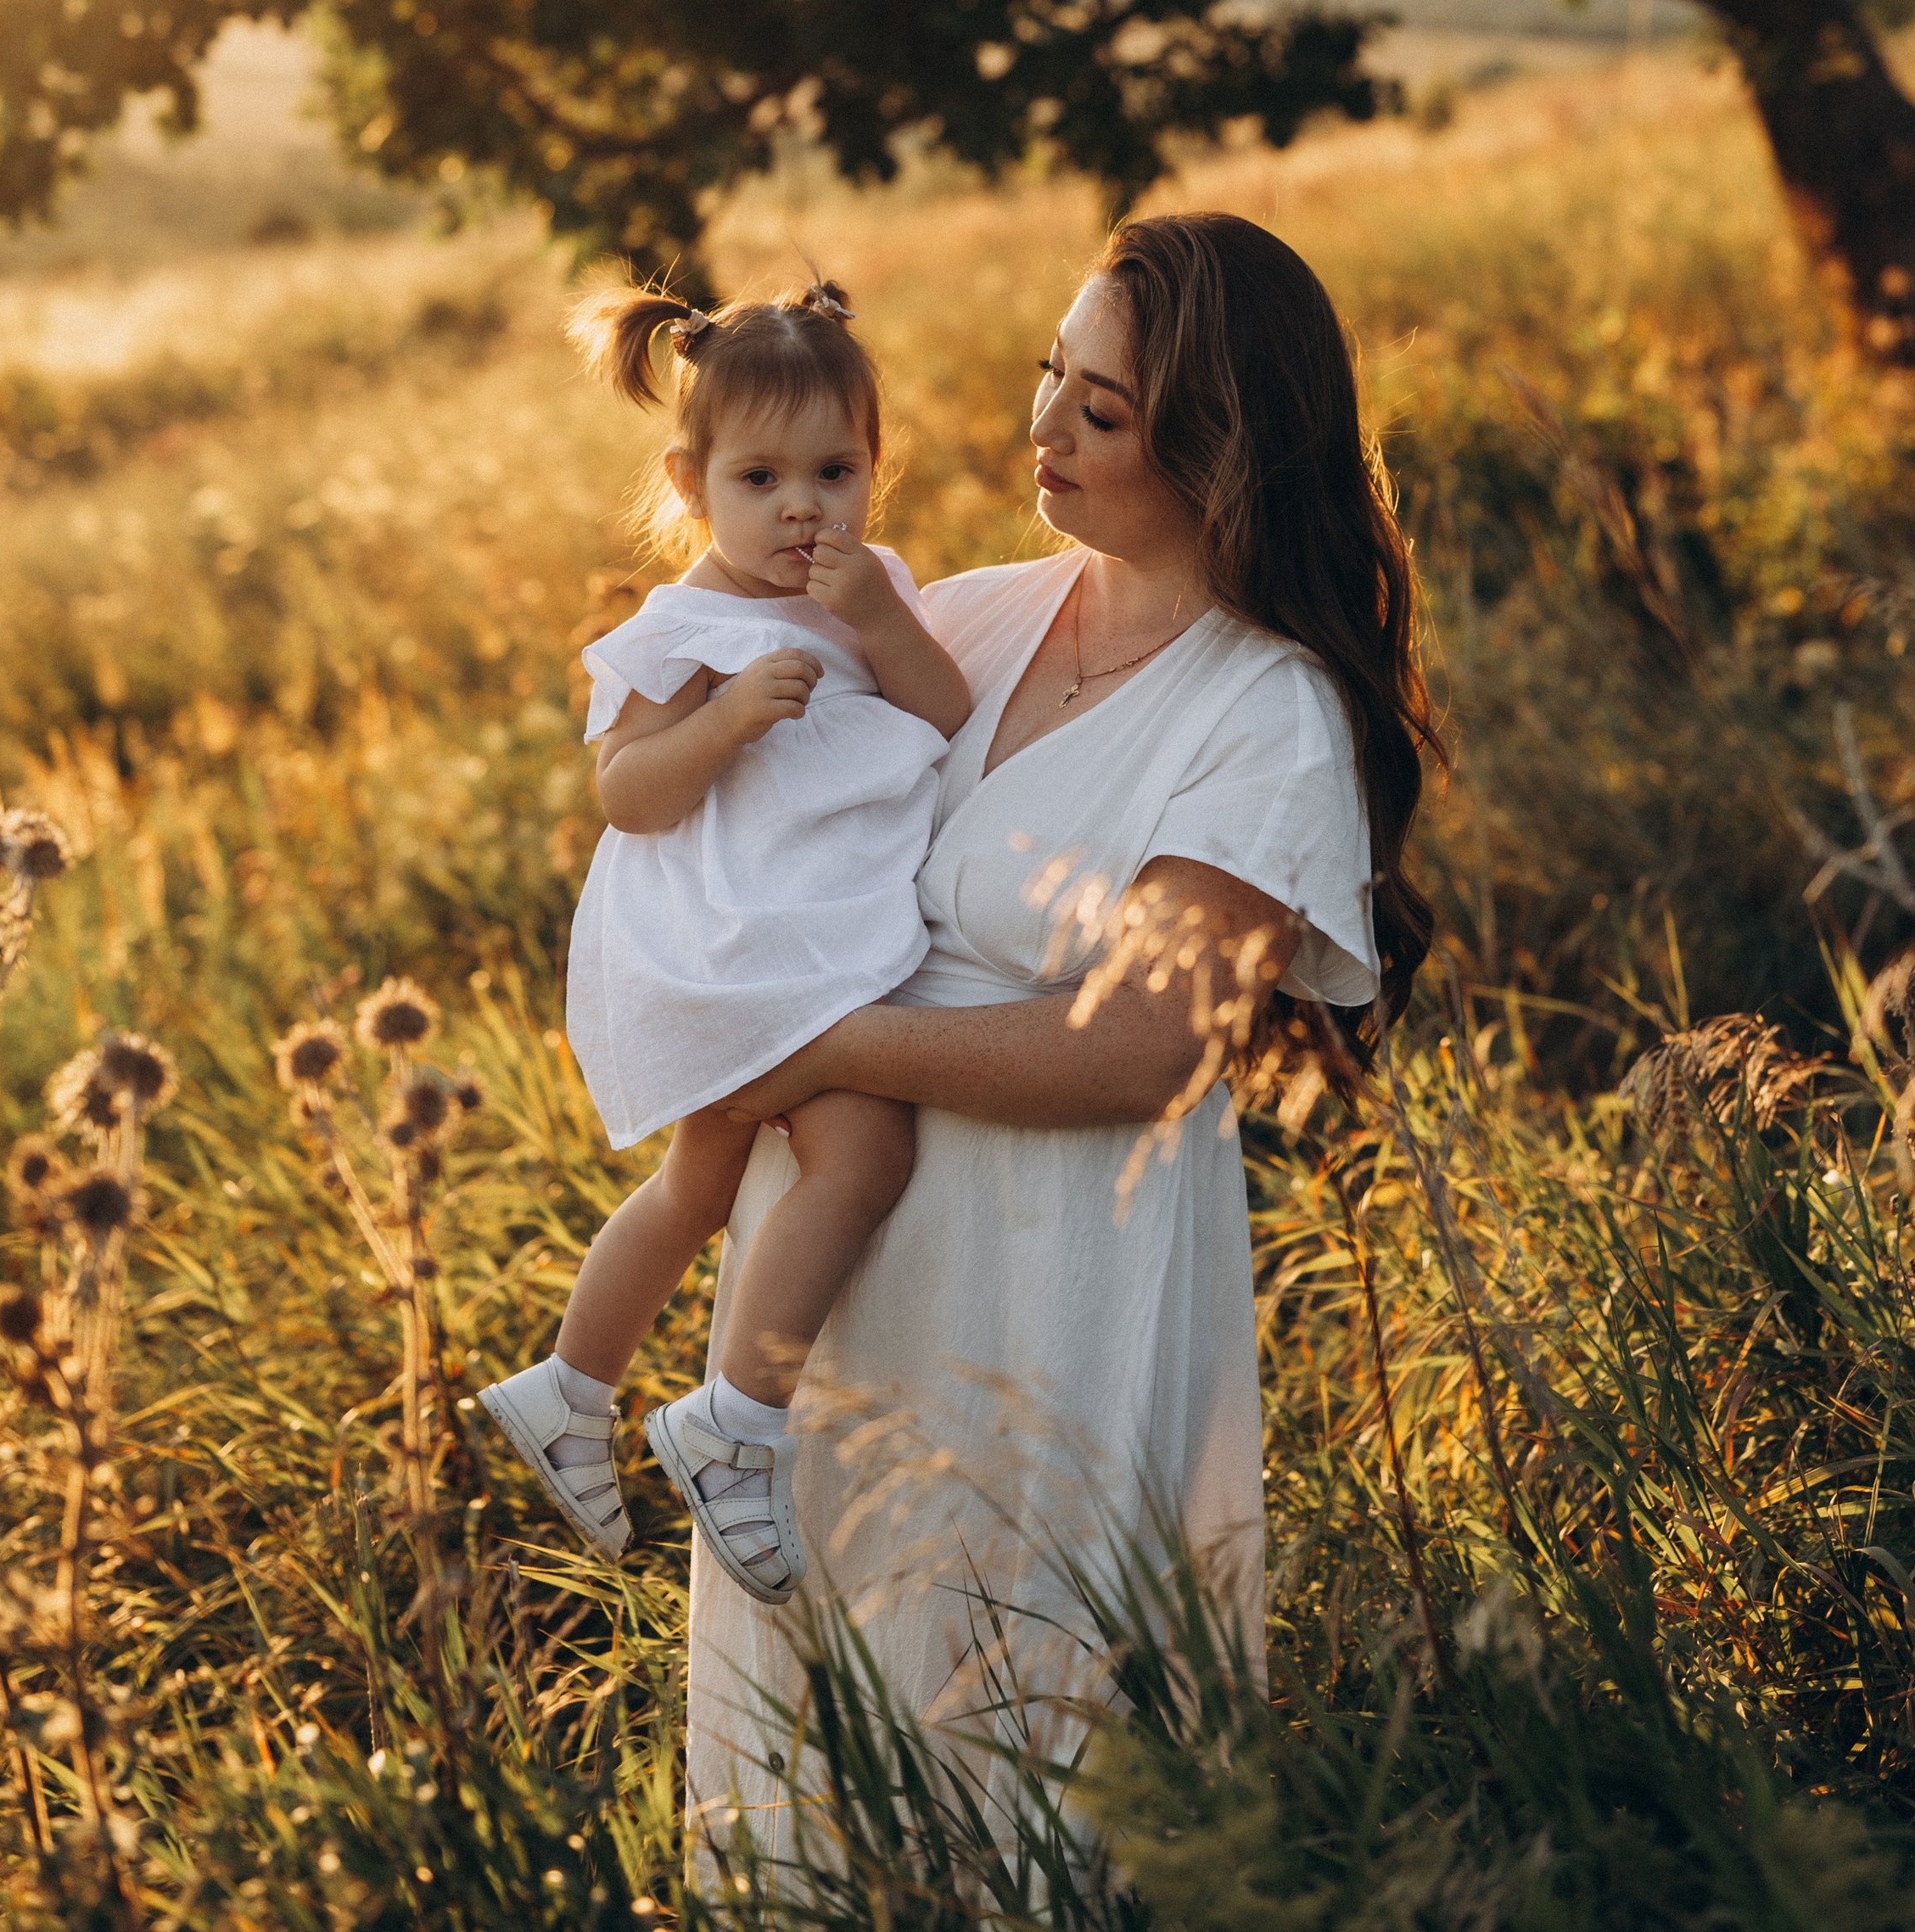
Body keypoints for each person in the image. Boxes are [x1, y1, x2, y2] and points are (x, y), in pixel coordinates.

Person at [680, 210, 1435, 1845]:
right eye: (1050, 374)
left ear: (1223, 453)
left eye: (1102, 411)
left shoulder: (1267, 709)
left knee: (1028, 1732)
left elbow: (1144, 1048)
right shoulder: (961, 619)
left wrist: (822, 1050)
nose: (1045, 427)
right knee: (814, 1745)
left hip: (1055, 1271)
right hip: (832, 1268)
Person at [479, 277, 970, 1601]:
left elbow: (945, 715)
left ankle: (569, 1387)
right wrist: (726, 718)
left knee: (699, 1188)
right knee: (862, 1155)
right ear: (690, 485)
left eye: (835, 472)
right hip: (743, 951)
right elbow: (629, 795)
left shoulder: (873, 591)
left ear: (876, 468)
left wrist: (880, 622)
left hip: (813, 938)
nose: (804, 508)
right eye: (761, 479)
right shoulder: (685, 632)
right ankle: (735, 1425)